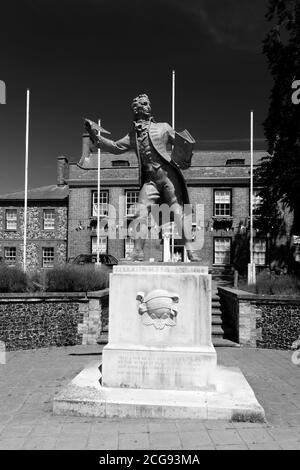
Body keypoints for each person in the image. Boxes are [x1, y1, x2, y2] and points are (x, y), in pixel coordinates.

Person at [85, 93, 199, 261]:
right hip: (150, 180)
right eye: (144, 104)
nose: (148, 106)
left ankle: (190, 250)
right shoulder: (133, 135)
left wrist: (187, 156)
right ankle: (137, 251)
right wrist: (96, 136)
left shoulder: (163, 127)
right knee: (140, 212)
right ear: (137, 109)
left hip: (168, 176)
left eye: (148, 104)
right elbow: (116, 147)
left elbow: (182, 146)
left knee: (176, 211)